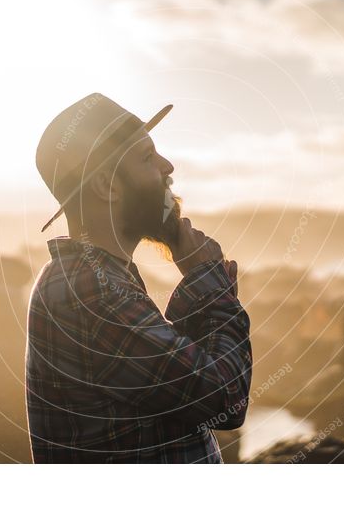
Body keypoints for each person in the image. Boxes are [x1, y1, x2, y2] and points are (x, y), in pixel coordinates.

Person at [27, 92, 252, 463]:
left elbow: (177, 380)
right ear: (106, 186)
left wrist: (203, 288)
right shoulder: (90, 290)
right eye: (147, 157)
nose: (168, 167)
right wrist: (207, 281)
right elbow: (225, 397)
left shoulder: (97, 279)